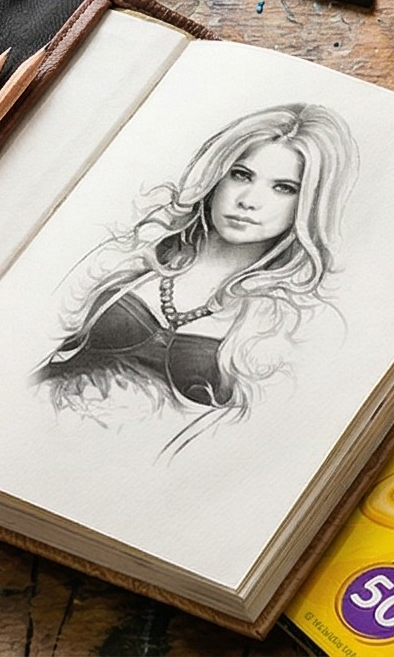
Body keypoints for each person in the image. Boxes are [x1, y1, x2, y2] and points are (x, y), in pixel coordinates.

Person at [36, 103, 354, 450]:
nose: (249, 200)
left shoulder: (288, 318)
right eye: (241, 174)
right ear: (217, 175)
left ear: (309, 202)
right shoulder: (137, 251)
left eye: (283, 188)